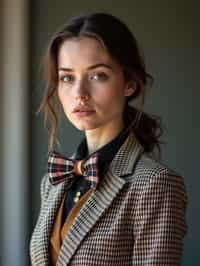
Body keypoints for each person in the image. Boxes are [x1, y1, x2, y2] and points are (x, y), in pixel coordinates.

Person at [30, 12, 187, 266]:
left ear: (129, 84)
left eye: (97, 75)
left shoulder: (155, 184)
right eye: (67, 78)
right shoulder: (51, 183)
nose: (80, 94)